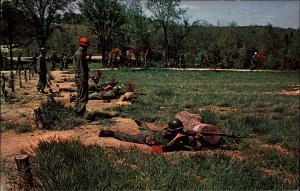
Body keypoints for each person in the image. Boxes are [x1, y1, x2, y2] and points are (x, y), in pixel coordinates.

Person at [99, 118, 201, 151]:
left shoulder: (168, 131)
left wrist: (195, 138)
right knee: (129, 137)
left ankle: (141, 124)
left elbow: (185, 141)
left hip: (152, 133)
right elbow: (164, 148)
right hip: (147, 137)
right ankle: (112, 133)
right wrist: (176, 139)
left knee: (146, 129)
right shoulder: (166, 138)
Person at [73, 37, 90, 116]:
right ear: (84, 46)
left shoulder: (78, 53)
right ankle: (80, 113)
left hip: (79, 77)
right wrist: (84, 80)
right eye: (86, 47)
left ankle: (76, 111)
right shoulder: (79, 54)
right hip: (81, 78)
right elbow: (81, 69)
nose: (87, 49)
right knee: (83, 96)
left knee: (79, 95)